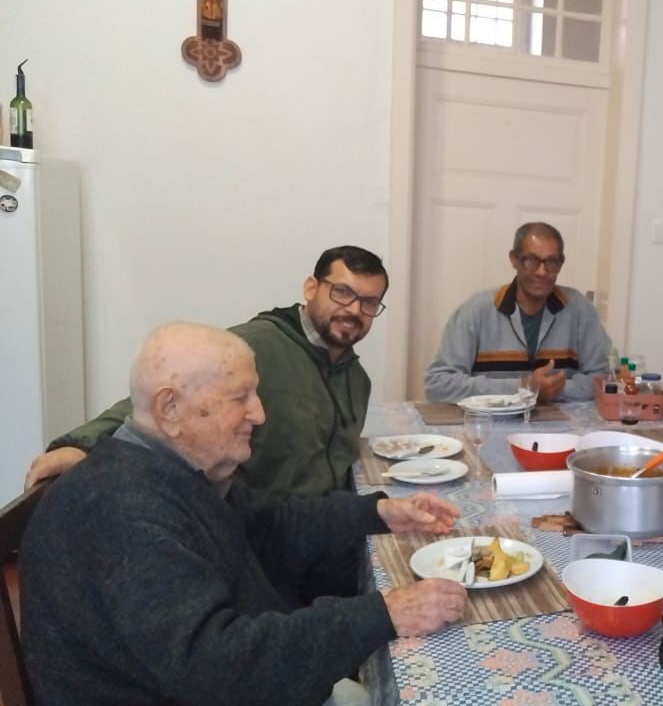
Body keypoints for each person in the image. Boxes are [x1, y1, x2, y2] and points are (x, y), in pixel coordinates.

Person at [20, 322, 468, 706]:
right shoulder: (124, 511)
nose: (259, 413)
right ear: (169, 409)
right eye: (241, 398)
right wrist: (383, 614)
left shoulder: (168, 473)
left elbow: (270, 523)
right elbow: (217, 666)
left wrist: (378, 512)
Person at [25, 245, 389, 498]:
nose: (353, 310)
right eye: (342, 293)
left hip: (317, 534)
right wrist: (80, 444)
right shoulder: (258, 345)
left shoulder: (356, 380)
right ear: (311, 288)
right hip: (258, 540)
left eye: (369, 301)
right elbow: (161, 396)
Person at [424, 221, 611, 403]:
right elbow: (438, 384)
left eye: (551, 262)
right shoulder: (476, 310)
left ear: (561, 263)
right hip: (488, 421)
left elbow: (605, 378)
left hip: (560, 423)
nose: (541, 272)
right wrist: (522, 388)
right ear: (514, 260)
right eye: (531, 261)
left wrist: (557, 390)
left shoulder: (580, 309)